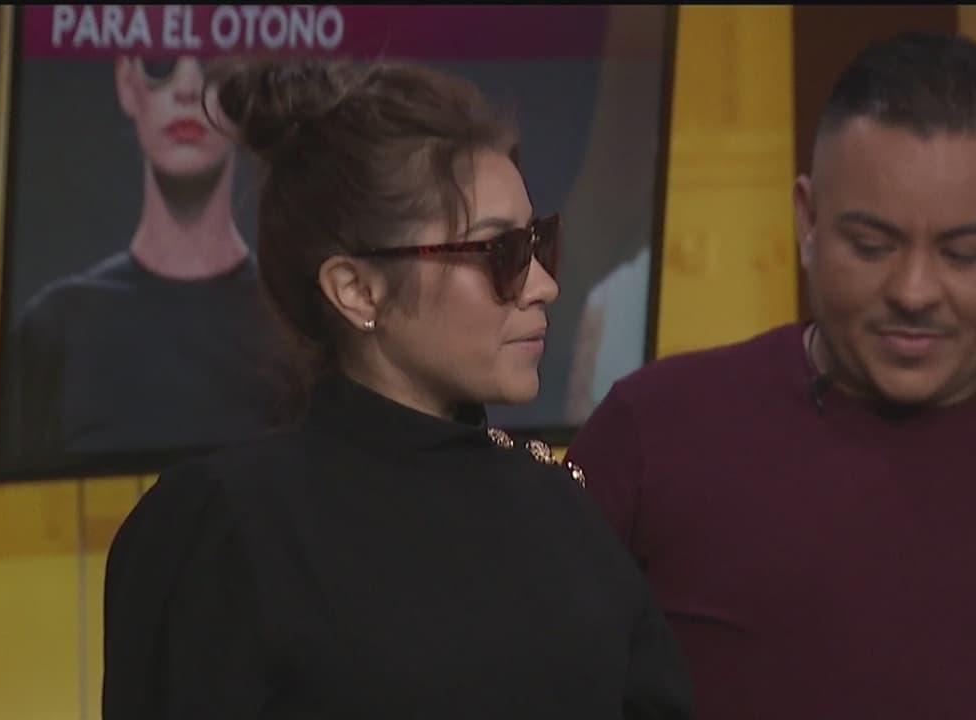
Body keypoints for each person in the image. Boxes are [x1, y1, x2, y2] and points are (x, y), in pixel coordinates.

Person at [102, 56, 696, 719]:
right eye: (500, 253)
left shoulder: (564, 514)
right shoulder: (227, 529)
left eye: (539, 244)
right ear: (357, 290)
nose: (543, 286)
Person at [567, 31, 976, 720]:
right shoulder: (652, 434)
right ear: (807, 221)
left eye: (963, 254)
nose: (914, 291)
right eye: (871, 246)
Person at [0, 55, 287, 475]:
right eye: (160, 62)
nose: (186, 89)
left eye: (212, 64)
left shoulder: (293, 324)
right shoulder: (54, 327)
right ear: (127, 84)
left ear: (245, 95)